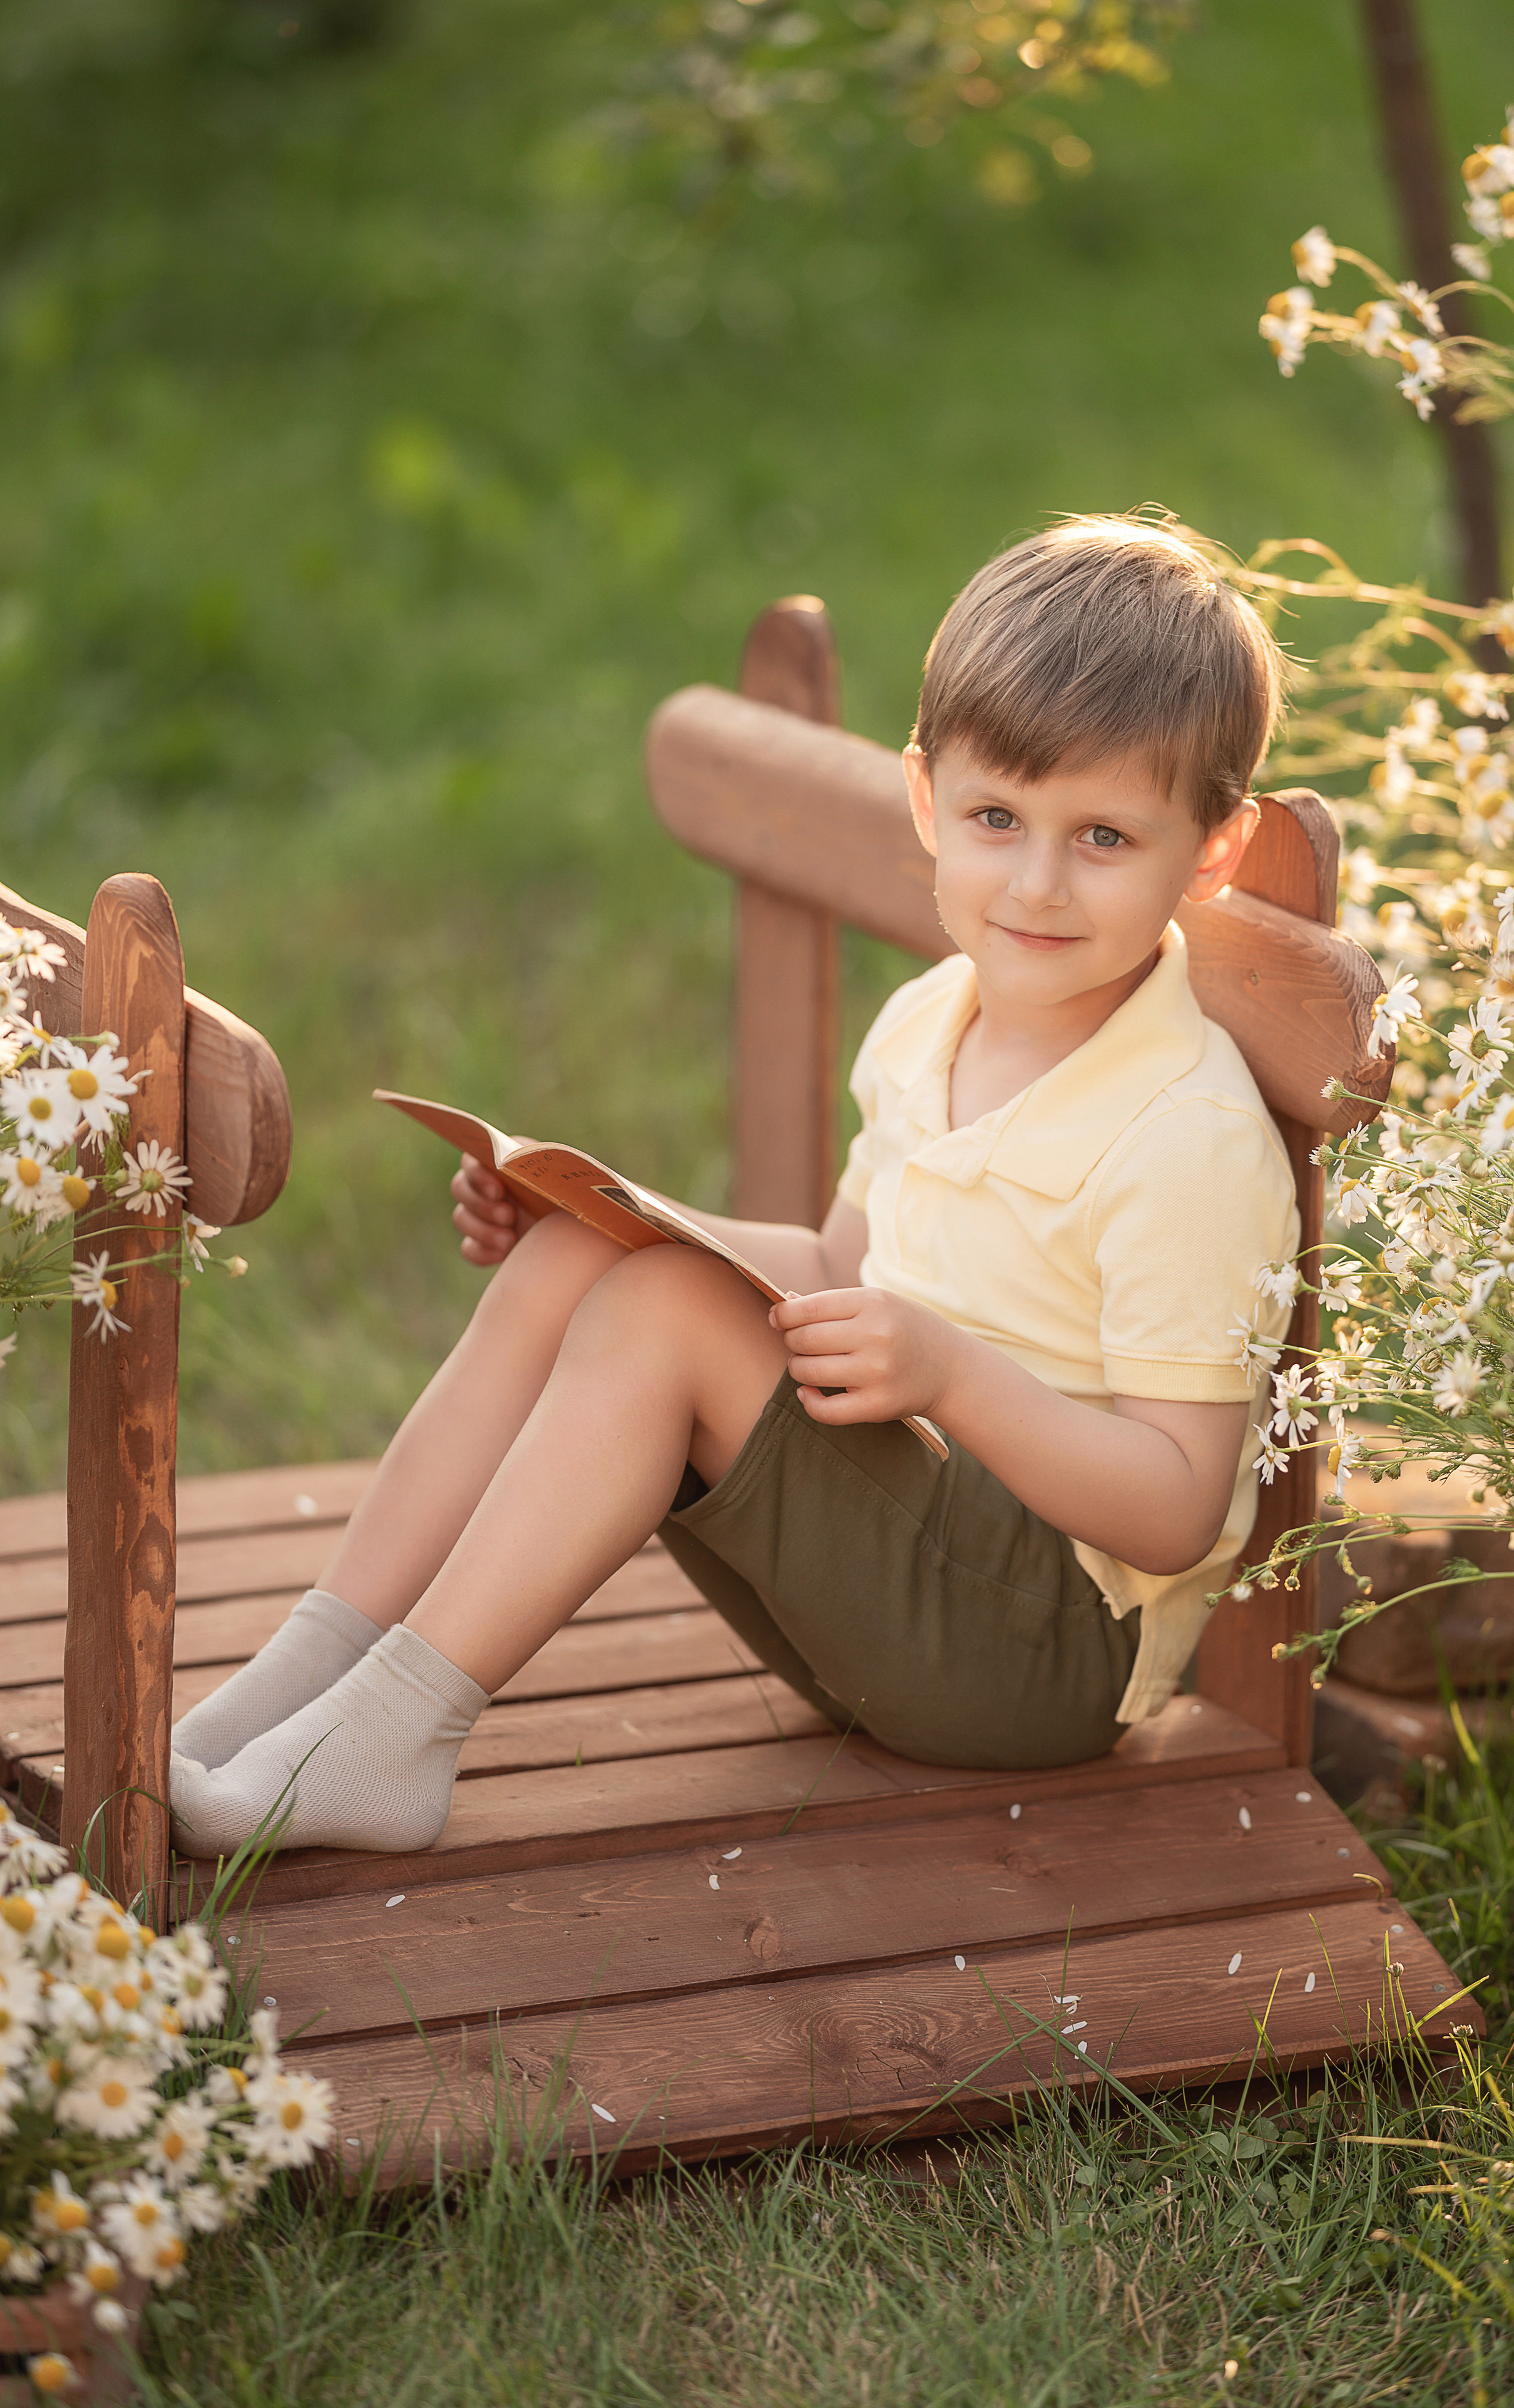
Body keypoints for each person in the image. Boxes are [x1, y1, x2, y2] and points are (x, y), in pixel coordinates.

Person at [169, 514, 1298, 1858]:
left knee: (662, 1312)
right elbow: (838, 1261)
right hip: (895, 1594)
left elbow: (1174, 1508)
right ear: (929, 798)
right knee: (598, 1263)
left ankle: (395, 1733)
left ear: (1213, 849)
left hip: (1044, 1654)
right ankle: (317, 1670)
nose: (1038, 883)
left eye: (1103, 837)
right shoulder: (934, 1020)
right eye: (997, 818)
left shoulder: (1185, 1134)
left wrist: (945, 1375)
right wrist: (607, 1215)